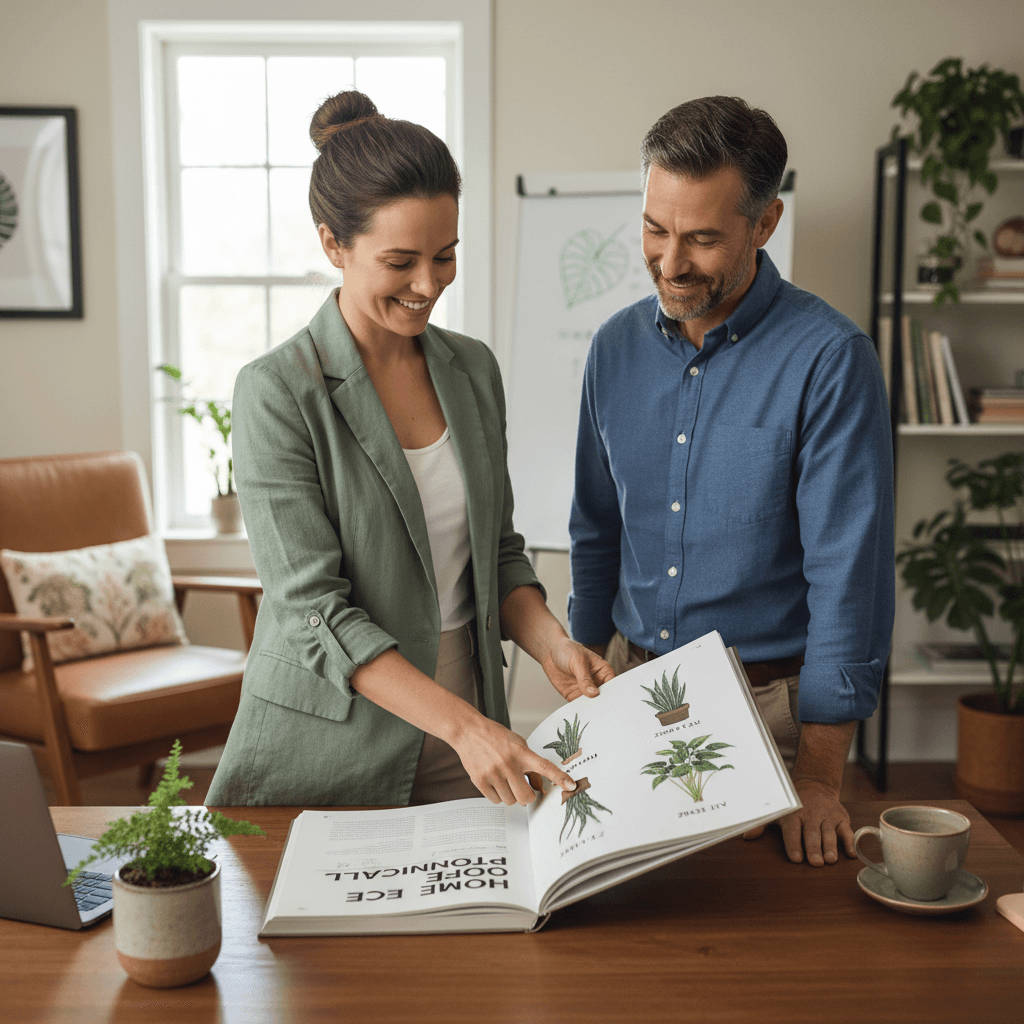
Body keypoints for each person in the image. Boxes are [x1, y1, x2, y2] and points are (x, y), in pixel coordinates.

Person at [208, 90, 612, 808]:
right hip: (335, 747)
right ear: (334, 244)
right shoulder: (276, 391)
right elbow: (315, 613)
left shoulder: (472, 369)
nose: (428, 285)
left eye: (445, 256)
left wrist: (551, 642)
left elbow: (496, 551)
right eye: (400, 261)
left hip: (473, 733)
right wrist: (466, 728)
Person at [568, 96, 894, 867]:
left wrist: (818, 777)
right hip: (628, 694)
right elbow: (596, 526)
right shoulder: (613, 349)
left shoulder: (830, 359)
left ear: (766, 223)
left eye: (703, 238)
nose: (671, 262)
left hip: (769, 712)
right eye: (655, 229)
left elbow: (849, 577)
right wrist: (583, 681)